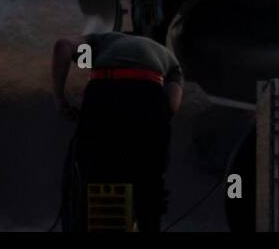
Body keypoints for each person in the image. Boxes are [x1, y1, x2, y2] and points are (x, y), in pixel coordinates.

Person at [52, 25, 184, 232]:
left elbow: (62, 46)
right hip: (149, 95)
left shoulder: (102, 40)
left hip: (105, 90)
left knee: (94, 172)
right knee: (150, 181)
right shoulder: (169, 58)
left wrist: (60, 100)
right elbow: (172, 104)